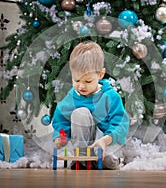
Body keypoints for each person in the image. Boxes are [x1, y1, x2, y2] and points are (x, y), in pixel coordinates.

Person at [52, 41, 130, 169]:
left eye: (88, 81)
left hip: (107, 140)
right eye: (76, 80)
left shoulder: (110, 97)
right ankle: (82, 159)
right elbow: (61, 120)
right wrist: (60, 135)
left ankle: (102, 158)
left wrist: (106, 140)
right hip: (84, 143)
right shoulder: (72, 96)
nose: (81, 86)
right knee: (80, 113)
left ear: (100, 75)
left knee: (109, 162)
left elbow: (120, 124)